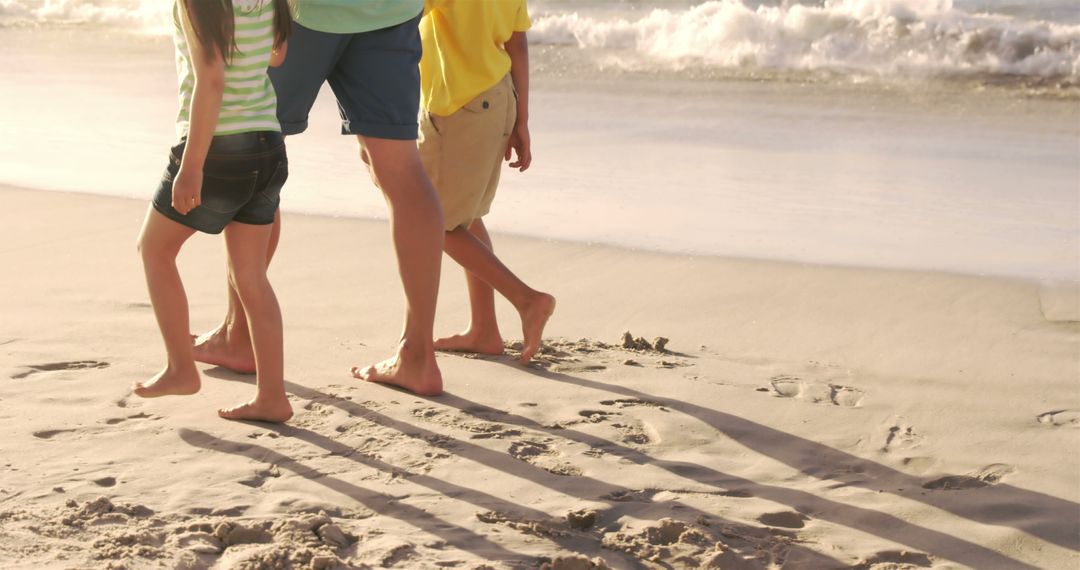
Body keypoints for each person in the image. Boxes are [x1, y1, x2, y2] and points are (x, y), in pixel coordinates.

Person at [192, 1, 446, 395]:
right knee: (404, 172)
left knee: (252, 144)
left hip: (304, 13)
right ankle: (418, 356)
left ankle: (239, 334)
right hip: (392, 10)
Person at [135, 0, 294, 423]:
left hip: (220, 151)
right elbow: (277, 54)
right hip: (268, 146)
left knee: (154, 250)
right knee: (251, 277)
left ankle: (180, 368)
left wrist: (191, 167)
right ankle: (272, 397)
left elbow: (211, 79)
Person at [419, 0, 555, 363]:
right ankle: (483, 330)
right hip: (498, 97)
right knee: (465, 217)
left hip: (459, 107)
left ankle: (528, 300)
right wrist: (522, 120)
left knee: (433, 223)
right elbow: (518, 44)